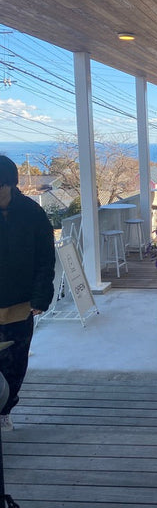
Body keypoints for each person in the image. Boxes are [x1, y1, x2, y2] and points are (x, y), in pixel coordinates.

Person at [0, 155, 55, 431]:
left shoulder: (32, 214)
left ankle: (5, 409)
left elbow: (46, 258)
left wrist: (40, 297)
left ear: (9, 184)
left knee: (15, 365)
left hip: (20, 304)